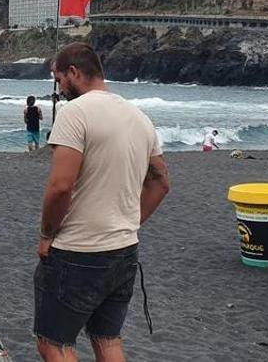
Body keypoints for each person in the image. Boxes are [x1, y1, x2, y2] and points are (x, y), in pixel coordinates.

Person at [35, 43, 171, 362]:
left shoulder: (75, 113)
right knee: (106, 339)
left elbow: (60, 186)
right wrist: (129, 223)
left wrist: (45, 236)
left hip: (79, 251)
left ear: (74, 72)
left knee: (53, 343)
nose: (59, 88)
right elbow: (161, 183)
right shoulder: (139, 116)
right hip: (123, 250)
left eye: (58, 79)